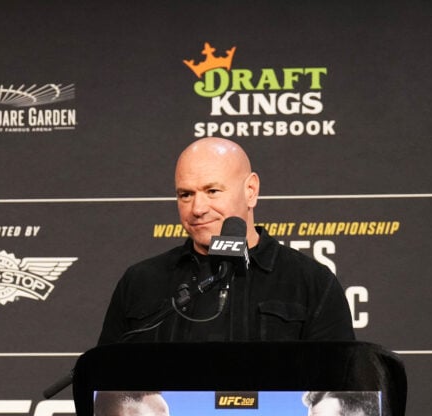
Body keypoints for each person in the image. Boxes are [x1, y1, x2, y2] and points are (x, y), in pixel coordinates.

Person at [98, 137, 355, 344]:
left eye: (212, 191)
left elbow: (340, 393)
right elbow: (106, 388)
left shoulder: (311, 283)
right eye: (185, 194)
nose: (197, 208)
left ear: (250, 191)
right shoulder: (141, 281)